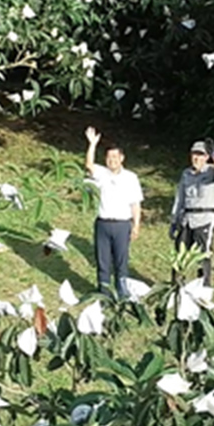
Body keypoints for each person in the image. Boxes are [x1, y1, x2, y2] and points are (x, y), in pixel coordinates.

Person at [85, 126, 143, 298]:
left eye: (115, 157)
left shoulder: (131, 177)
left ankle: (122, 292)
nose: (112, 160)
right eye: (109, 157)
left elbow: (135, 203)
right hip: (103, 224)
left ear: (122, 158)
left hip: (122, 224)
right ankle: (103, 292)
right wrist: (92, 144)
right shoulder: (102, 173)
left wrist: (136, 225)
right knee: (102, 261)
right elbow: (88, 165)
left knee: (121, 261)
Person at [170, 139, 214, 286]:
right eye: (194, 154)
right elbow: (180, 198)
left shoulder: (211, 171)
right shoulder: (186, 174)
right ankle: (176, 287)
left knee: (203, 256)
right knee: (179, 255)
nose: (196, 158)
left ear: (206, 157)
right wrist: (174, 221)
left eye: (200, 154)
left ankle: (203, 289)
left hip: (204, 219)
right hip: (186, 219)